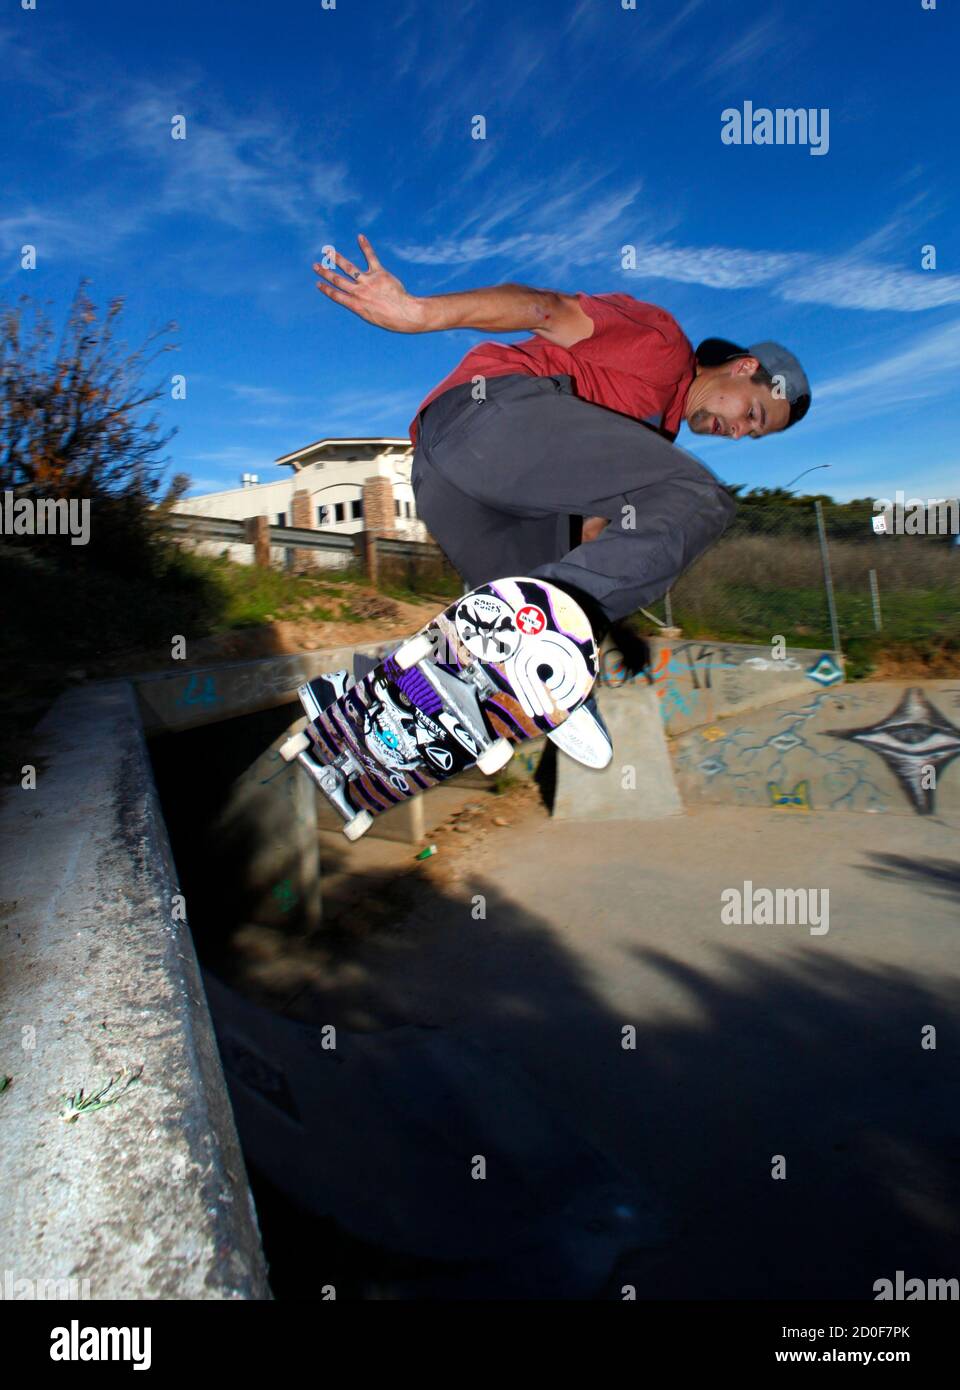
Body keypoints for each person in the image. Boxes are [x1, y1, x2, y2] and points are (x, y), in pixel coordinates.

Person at [303, 234, 812, 759]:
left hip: (447, 483)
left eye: (752, 436)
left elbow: (597, 536)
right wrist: (417, 312)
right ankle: (543, 641)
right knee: (700, 496)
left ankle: (378, 716)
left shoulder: (650, 441)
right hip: (489, 418)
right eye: (751, 415)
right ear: (745, 368)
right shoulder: (664, 347)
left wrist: (603, 625)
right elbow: (546, 309)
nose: (736, 433)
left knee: (509, 649)